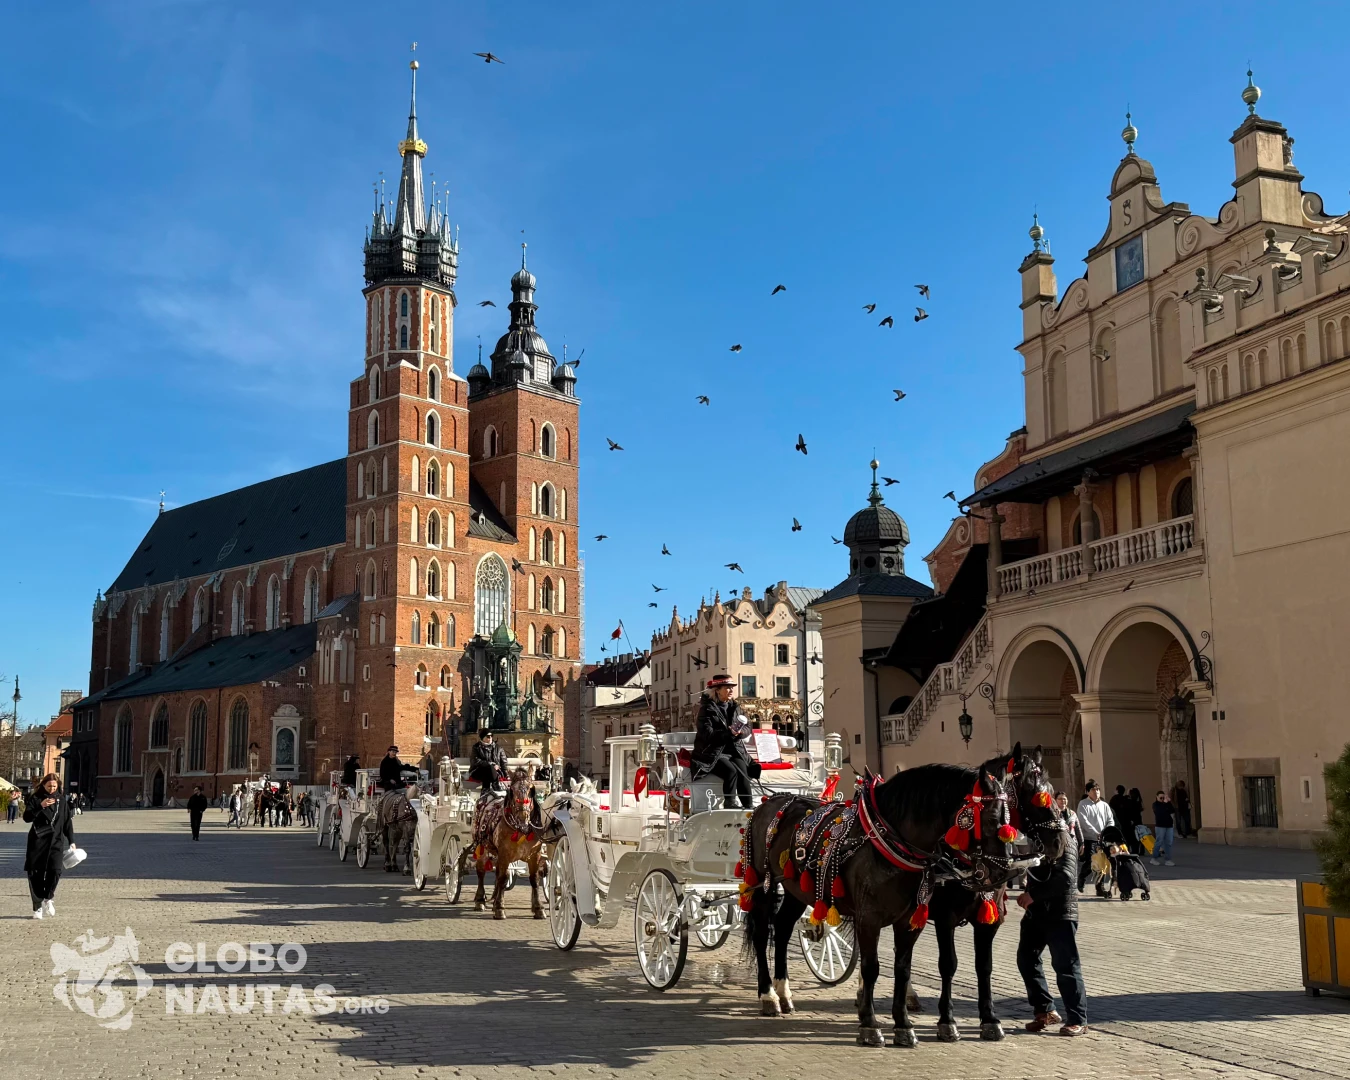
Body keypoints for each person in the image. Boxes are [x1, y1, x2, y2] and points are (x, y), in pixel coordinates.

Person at [1017, 803, 1088, 1037]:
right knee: (1027, 959)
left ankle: (1078, 1019)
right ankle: (1045, 1010)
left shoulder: (1065, 839)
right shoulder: (1039, 841)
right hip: (1036, 914)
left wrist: (1032, 895)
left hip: (1061, 913)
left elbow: (1067, 879)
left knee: (1065, 966)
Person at [691, 674, 759, 809]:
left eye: (732, 688)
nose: (731, 691)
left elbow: (748, 727)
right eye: (727, 688)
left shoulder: (735, 707)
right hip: (712, 752)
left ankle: (749, 806)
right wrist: (728, 733)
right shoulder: (706, 709)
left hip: (734, 750)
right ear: (717, 690)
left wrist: (740, 733)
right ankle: (730, 803)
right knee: (730, 771)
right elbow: (706, 734)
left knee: (743, 770)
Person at [24, 773, 74, 920]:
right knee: (36, 874)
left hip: (56, 841)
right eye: (49, 786)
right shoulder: (36, 798)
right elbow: (27, 818)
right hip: (38, 840)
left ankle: (48, 897)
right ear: (43, 785)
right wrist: (41, 806)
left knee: (56, 871)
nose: (52, 789)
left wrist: (71, 841)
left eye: (54, 786)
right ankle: (37, 906)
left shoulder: (62, 801)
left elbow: (67, 822)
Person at [1075, 781, 1115, 893]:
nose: (1096, 792)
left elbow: (1110, 820)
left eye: (1097, 789)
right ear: (1088, 792)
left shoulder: (1104, 805)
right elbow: (1083, 821)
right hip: (1090, 838)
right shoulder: (1083, 804)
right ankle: (1082, 877)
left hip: (1103, 839)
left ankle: (1100, 887)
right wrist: (1095, 832)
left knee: (1102, 863)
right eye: (1093, 790)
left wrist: (1108, 831)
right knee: (1091, 861)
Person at [1151, 790, 1176, 866]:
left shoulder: (1167, 804)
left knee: (1168, 843)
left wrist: (1168, 802)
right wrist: (1165, 803)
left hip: (1169, 825)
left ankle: (1168, 859)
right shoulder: (1155, 805)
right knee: (1159, 842)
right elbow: (1159, 812)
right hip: (1160, 826)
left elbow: (1172, 810)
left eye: (1163, 797)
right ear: (1157, 797)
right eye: (1160, 798)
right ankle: (1154, 858)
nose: (1162, 799)